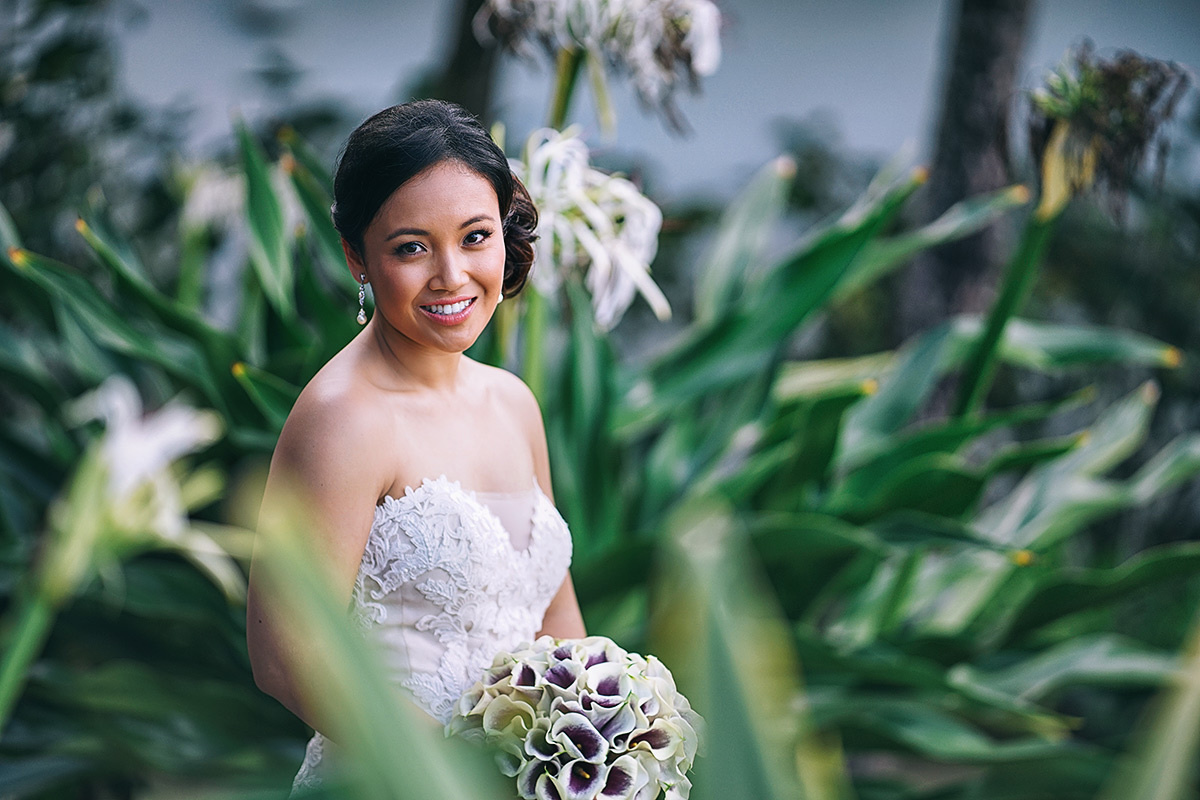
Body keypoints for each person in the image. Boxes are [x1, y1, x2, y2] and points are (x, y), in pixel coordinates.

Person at [244, 99, 587, 791]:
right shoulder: (343, 419)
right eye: (412, 247)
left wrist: (602, 734)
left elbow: (556, 619)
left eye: (474, 237)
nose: (452, 276)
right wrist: (461, 769)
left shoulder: (514, 403)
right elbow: (285, 658)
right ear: (358, 258)